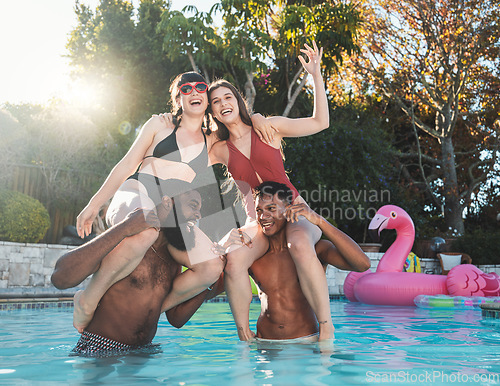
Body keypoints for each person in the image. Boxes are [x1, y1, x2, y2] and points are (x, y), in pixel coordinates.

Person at [72, 72, 224, 333]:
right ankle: (88, 300)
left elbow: (245, 137)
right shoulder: (159, 125)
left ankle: (156, 307)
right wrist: (94, 205)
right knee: (145, 231)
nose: (195, 91)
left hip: (172, 214)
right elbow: (126, 165)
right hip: (136, 193)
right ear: (178, 99)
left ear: (208, 97)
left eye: (201, 87)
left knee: (212, 266)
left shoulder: (212, 141)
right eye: (186, 89)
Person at [207, 42, 335, 341]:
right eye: (215, 101)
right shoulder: (218, 148)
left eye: (228, 96)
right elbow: (183, 166)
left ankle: (327, 326)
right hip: (259, 223)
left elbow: (321, 122)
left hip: (293, 211)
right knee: (235, 259)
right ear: (212, 109)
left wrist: (315, 75)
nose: (223, 103)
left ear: (238, 100)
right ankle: (244, 333)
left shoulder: (270, 127)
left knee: (301, 245)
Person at [51, 191, 225, 356]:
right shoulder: (132, 243)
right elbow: (60, 277)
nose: (198, 215)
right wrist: (125, 228)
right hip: (100, 346)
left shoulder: (174, 260)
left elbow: (176, 318)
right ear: (168, 202)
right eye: (193, 205)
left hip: (143, 351)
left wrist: (215, 275)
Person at [249, 181, 371, 341]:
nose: (263, 217)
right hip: (265, 346)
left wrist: (319, 221)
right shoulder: (254, 257)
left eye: (271, 209)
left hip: (306, 343)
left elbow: (362, 264)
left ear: (288, 210)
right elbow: (222, 281)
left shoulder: (313, 251)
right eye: (259, 210)